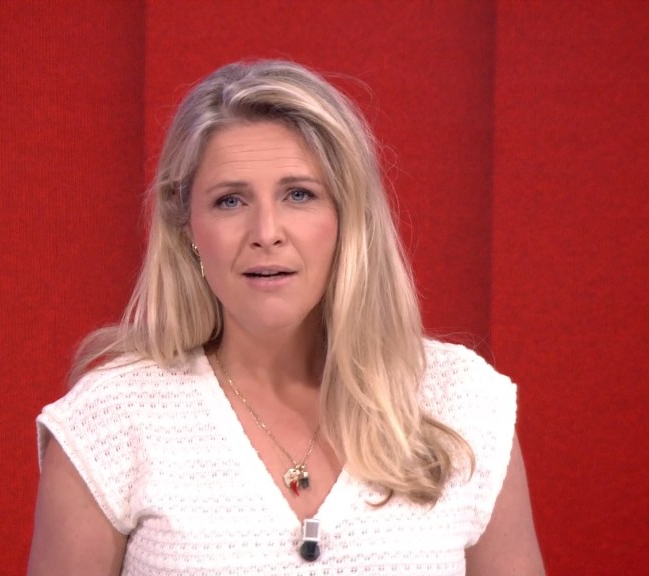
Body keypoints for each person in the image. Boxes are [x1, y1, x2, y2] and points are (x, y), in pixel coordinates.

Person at [28, 60, 544, 575]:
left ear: (348, 217)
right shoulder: (110, 420)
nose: (266, 232)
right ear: (188, 227)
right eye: (230, 201)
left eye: (299, 195)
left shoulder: (465, 403)